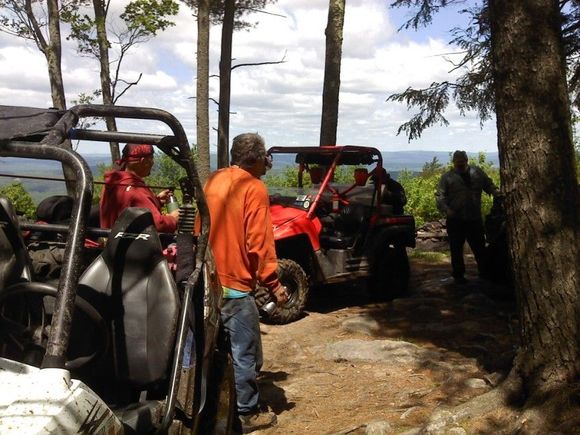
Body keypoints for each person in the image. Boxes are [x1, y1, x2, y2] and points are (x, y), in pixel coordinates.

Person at [201, 133, 287, 433]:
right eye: (265, 156)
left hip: (206, 281)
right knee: (245, 353)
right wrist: (274, 283)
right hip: (234, 286)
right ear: (254, 158)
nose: (267, 162)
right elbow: (259, 243)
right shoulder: (253, 187)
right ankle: (246, 414)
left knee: (217, 350)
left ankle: (218, 406)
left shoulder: (213, 180)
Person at [435, 150, 499, 284]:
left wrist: (496, 193)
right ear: (453, 162)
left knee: (480, 248)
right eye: (458, 163)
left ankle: (485, 274)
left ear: (466, 161)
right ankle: (458, 276)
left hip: (474, 218)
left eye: (462, 162)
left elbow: (489, 185)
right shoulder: (447, 177)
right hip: (455, 220)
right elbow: (440, 197)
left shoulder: (477, 173)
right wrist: (447, 210)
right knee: (456, 249)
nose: (460, 165)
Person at [99, 143, 179, 233]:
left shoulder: (113, 183)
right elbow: (158, 224)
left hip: (111, 242)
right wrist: (172, 219)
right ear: (143, 161)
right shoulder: (136, 190)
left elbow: (131, 207)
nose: (152, 163)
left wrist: (156, 201)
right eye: (152, 158)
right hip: (132, 245)